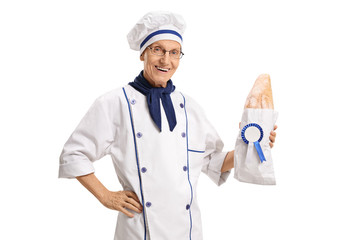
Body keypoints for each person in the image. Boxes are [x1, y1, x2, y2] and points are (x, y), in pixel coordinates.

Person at [59, 11, 277, 240]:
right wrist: (105, 196)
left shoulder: (190, 106)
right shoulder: (115, 103)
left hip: (188, 231)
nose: (166, 60)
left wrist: (251, 143)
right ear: (143, 53)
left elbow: (212, 161)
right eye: (158, 50)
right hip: (140, 230)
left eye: (174, 53)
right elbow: (73, 154)